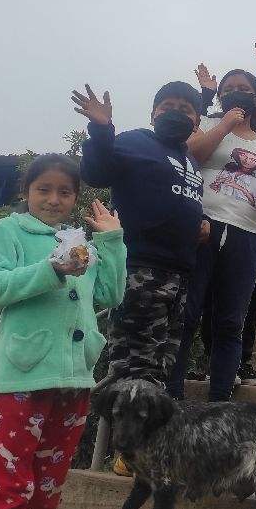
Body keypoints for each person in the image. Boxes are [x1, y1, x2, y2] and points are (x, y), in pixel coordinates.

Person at [0, 155, 126, 508]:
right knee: (3, 483)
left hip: (74, 380)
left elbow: (110, 294)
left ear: (75, 198)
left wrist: (112, 241)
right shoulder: (7, 231)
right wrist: (51, 270)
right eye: (44, 189)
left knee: (49, 484)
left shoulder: (79, 241)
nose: (54, 200)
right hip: (22, 377)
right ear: (26, 191)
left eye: (65, 192)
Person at [75, 82, 207, 388]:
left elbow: (180, 199)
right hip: (140, 270)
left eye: (185, 109)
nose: (175, 113)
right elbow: (96, 172)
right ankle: (124, 434)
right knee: (133, 368)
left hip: (181, 275)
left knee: (164, 363)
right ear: (153, 114)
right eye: (167, 107)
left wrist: (202, 221)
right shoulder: (135, 141)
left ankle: (152, 433)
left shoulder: (190, 160)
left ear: (196, 122)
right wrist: (102, 129)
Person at [167, 69, 256, 401]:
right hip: (201, 227)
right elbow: (191, 155)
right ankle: (172, 399)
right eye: (229, 88)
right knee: (187, 315)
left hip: (246, 234)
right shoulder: (204, 123)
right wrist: (224, 124)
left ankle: (220, 403)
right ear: (220, 95)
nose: (236, 92)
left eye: (244, 88)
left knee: (230, 322)